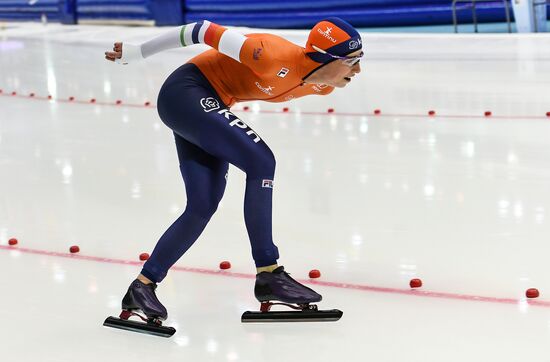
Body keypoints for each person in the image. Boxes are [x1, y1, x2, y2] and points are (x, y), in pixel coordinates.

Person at [104, 17, 362, 328]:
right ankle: (269, 273)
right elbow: (199, 30)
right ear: (326, 57)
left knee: (202, 205)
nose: (357, 71)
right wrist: (140, 51)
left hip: (209, 104)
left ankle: (142, 287)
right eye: (352, 61)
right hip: (186, 92)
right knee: (262, 162)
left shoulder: (322, 87)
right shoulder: (269, 54)